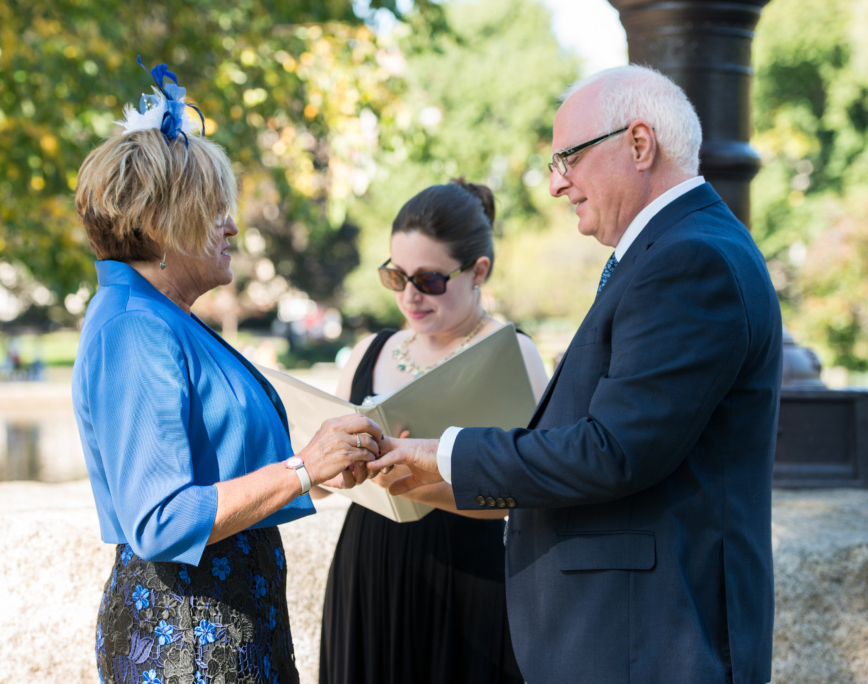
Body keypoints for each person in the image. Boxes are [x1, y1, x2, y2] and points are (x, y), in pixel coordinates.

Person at [371, 64, 783, 684]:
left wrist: (444, 454)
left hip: (651, 644)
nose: (558, 184)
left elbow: (612, 450)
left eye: (570, 159)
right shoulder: (673, 249)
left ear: (639, 144)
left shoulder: (690, 258)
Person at [71, 58, 382, 684]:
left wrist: (321, 473)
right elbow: (160, 520)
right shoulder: (134, 327)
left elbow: (222, 480)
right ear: (159, 225)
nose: (232, 225)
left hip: (223, 628)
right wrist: (300, 469)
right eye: (215, 209)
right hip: (188, 642)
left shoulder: (162, 319)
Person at [318, 179, 549, 684]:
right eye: (395, 277)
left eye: (429, 281)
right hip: (369, 566)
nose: (409, 296)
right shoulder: (369, 351)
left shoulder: (514, 353)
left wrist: (422, 481)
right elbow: (324, 473)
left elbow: (538, 487)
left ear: (478, 272)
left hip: (469, 574)